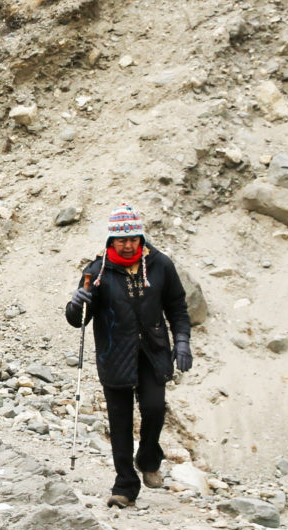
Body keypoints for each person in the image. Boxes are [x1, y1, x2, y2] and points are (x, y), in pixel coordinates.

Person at [65, 204, 193, 509]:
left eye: (133, 238)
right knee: (119, 422)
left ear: (141, 237)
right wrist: (76, 302)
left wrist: (183, 342)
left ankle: (148, 457)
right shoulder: (96, 273)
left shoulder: (161, 265)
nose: (128, 244)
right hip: (114, 355)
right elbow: (78, 320)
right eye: (121, 240)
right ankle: (124, 486)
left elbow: (177, 306)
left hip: (153, 352)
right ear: (111, 241)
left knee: (154, 408)